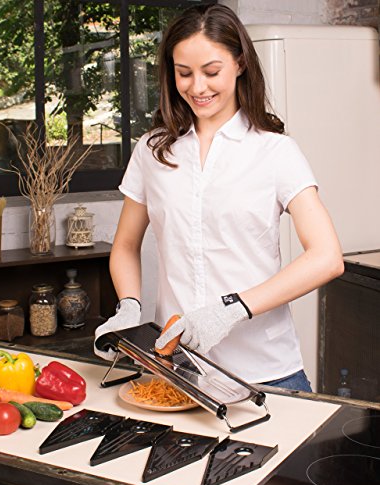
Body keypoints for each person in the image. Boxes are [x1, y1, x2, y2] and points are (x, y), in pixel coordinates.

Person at [93, 4, 344, 391]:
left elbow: (326, 257)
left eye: (211, 72)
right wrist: (128, 307)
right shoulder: (153, 150)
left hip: (267, 373)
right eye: (184, 73)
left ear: (240, 63)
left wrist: (232, 309)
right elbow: (126, 245)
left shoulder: (275, 151)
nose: (197, 87)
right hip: (178, 371)